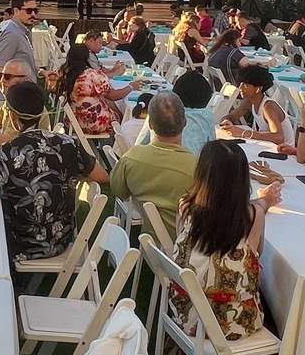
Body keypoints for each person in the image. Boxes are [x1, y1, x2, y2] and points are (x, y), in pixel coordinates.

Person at [165, 139, 283, 355]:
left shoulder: (186, 207)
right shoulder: (251, 217)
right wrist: (262, 204)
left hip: (183, 310)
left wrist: (262, 203)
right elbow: (254, 265)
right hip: (230, 325)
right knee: (277, 304)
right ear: (242, 182)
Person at [0, 81, 108, 260]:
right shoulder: (68, 143)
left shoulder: (7, 152)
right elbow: (102, 176)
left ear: (13, 117)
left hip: (19, 243)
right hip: (61, 239)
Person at [110, 91, 199, 231]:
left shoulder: (132, 157)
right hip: (184, 240)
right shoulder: (198, 168)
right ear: (185, 123)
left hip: (149, 236)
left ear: (150, 124)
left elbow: (118, 191)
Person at [57, 43, 134, 134]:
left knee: (107, 102)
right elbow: (114, 96)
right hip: (94, 122)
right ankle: (120, 144)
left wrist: (42, 71)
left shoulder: (63, 73)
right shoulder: (92, 75)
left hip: (74, 120)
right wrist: (131, 86)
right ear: (87, 58)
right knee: (121, 115)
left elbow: (50, 80)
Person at [135, 70, 216, 157]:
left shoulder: (160, 110)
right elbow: (212, 150)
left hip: (157, 163)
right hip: (192, 167)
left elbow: (139, 145)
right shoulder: (207, 116)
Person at [222, 66, 294, 148]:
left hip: (285, 151)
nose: (240, 87)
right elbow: (231, 117)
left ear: (257, 89)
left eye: (245, 85)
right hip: (268, 146)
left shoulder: (268, 107)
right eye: (241, 83)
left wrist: (244, 132)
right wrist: (227, 121)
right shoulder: (248, 102)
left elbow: (278, 137)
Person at [0, 0, 39, 75]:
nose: (33, 14)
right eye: (29, 11)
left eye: (35, 10)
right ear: (16, 11)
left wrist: (42, 72)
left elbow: (27, 63)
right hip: (18, 87)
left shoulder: (23, 30)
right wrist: (5, 87)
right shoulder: (12, 34)